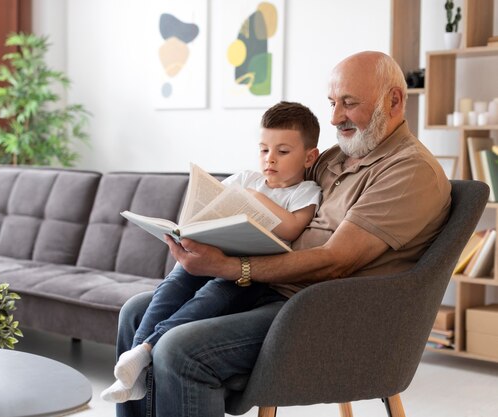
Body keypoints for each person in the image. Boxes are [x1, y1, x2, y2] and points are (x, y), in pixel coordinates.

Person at [115, 51, 452, 417]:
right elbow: (281, 193)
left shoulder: (408, 171)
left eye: (349, 103)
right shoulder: (338, 156)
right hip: (274, 291)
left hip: (323, 314)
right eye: (332, 103)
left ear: (394, 101)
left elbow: (337, 261)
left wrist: (232, 267)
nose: (336, 117)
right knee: (136, 312)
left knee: (180, 348)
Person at [102, 101, 322, 403]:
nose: (270, 159)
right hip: (211, 255)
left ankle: (146, 349)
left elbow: (292, 228)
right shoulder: (247, 179)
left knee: (210, 298)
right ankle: (134, 362)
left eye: (282, 152)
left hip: (244, 275)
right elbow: (207, 207)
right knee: (171, 286)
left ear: (310, 157)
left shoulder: (305, 192)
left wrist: (253, 198)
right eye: (263, 150)